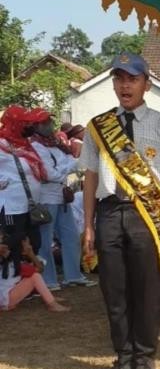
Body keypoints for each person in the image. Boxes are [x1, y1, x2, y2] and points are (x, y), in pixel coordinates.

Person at [80, 53, 160, 369]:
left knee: (147, 289)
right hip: (110, 213)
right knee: (114, 290)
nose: (125, 85)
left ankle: (145, 357)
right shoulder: (98, 128)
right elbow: (90, 179)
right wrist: (87, 224)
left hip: (147, 217)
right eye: (119, 78)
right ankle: (122, 357)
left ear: (147, 84)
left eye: (132, 79)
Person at [30, 110, 97, 291]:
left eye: (50, 122)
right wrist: (70, 166)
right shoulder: (35, 146)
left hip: (61, 195)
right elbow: (50, 173)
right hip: (46, 198)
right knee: (45, 240)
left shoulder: (55, 144)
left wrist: (68, 166)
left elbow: (73, 163)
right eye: (45, 123)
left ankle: (73, 275)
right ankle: (49, 280)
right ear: (35, 127)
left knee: (71, 237)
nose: (50, 125)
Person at [0, 106, 49, 254]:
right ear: (15, 124)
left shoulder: (25, 144)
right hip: (12, 208)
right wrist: (4, 180)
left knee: (34, 245)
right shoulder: (2, 145)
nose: (30, 127)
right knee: (14, 248)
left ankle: (30, 276)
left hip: (30, 207)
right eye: (25, 123)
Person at [0, 235, 70, 313]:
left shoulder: (10, 262)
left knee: (30, 277)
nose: (30, 246)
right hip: (7, 300)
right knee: (35, 277)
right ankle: (52, 304)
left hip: (4, 299)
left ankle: (49, 296)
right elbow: (40, 269)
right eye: (28, 245)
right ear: (22, 250)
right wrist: (31, 254)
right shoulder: (19, 265)